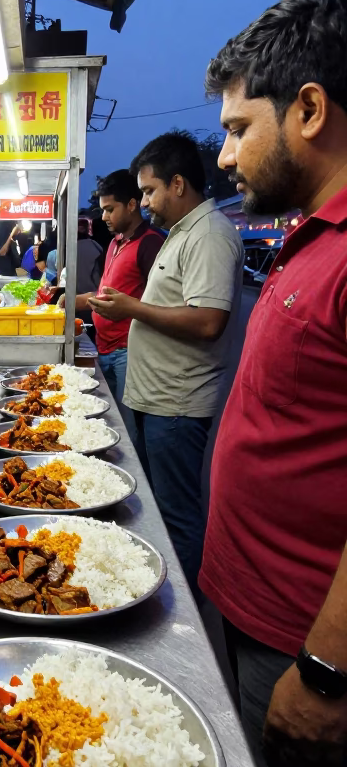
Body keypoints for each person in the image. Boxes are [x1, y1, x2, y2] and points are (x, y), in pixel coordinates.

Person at [198, 0, 347, 767]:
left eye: (239, 127)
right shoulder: (309, 239)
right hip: (255, 623)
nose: (224, 154)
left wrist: (328, 672)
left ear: (309, 109)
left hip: (307, 651)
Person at [88, 131, 243, 594]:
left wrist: (131, 309)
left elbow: (208, 321)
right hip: (154, 397)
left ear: (178, 183)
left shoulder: (211, 235)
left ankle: (186, 609)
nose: (146, 202)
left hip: (177, 404)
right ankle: (162, 587)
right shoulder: (181, 233)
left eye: (150, 190)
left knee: (176, 513)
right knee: (157, 506)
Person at [74, 170, 162, 436]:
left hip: (130, 353)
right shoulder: (114, 244)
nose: (103, 217)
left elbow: (159, 303)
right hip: (105, 349)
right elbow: (108, 294)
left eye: (110, 209)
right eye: (102, 210)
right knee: (111, 423)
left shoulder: (151, 243)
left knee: (128, 431)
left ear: (133, 205)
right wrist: (75, 301)